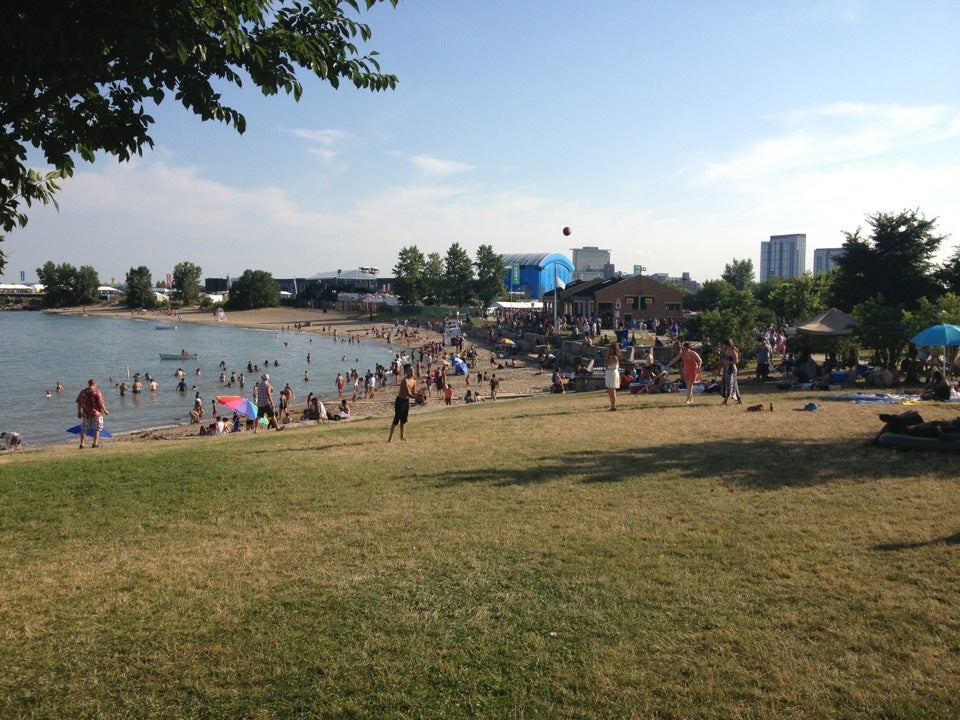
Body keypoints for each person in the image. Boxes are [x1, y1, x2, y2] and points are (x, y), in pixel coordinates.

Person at [388, 364, 420, 442]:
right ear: (406, 371)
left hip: (406, 401)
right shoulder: (405, 381)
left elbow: (413, 392)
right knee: (396, 420)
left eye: (413, 369)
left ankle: (402, 436)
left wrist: (420, 395)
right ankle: (390, 438)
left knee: (403, 420)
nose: (412, 371)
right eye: (410, 370)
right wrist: (416, 398)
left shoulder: (414, 381)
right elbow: (407, 393)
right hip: (400, 401)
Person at [76, 378, 109, 448]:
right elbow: (101, 403)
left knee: (84, 429)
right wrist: (105, 411)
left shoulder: (83, 392)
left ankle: (82, 444)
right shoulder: (97, 392)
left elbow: (79, 402)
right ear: (95, 384)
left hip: (86, 413)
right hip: (96, 413)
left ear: (88, 384)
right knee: (97, 429)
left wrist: (79, 411)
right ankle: (95, 443)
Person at [719, 338, 743, 406]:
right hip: (726, 368)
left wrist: (727, 362)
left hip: (731, 369)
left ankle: (725, 401)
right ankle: (739, 400)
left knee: (729, 384)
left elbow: (736, 361)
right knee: (734, 384)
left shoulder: (733, 350)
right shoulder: (727, 350)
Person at [604, 343, 621, 410]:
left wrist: (608, 356)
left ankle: (613, 406)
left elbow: (607, 363)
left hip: (612, 372)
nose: (610, 350)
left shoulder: (614, 357)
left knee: (612, 390)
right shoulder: (612, 357)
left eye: (611, 349)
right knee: (610, 390)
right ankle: (612, 405)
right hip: (610, 372)